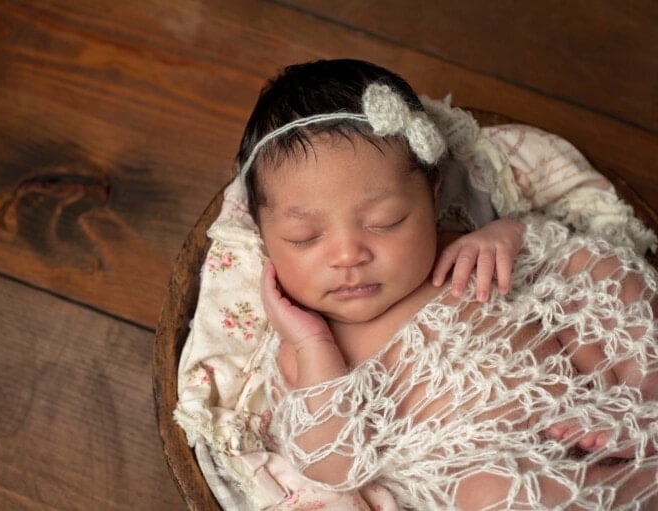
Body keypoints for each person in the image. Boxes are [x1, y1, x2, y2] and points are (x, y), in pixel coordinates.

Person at [235, 59, 658, 509]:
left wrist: (512, 235)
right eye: (306, 237)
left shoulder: (459, 247)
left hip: (598, 392)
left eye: (386, 221)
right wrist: (311, 341)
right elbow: (333, 466)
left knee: (598, 265)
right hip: (500, 474)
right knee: (495, 494)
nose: (347, 256)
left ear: (431, 196)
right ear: (264, 237)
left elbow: (558, 271)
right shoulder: (302, 355)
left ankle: (647, 406)